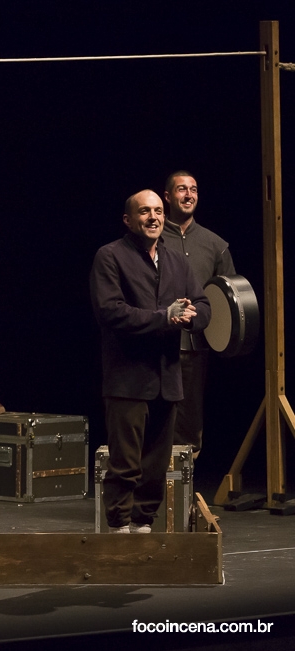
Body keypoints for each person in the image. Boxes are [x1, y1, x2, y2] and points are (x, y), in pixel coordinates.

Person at [90, 189, 210, 533]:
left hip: (167, 378)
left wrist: (191, 317)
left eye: (158, 211)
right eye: (145, 211)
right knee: (125, 463)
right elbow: (110, 311)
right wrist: (164, 317)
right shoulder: (110, 256)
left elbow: (203, 305)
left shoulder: (176, 261)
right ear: (129, 220)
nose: (153, 217)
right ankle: (118, 529)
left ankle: (142, 526)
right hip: (128, 378)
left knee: (156, 467)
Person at [162, 171, 235, 458]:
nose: (189, 194)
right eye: (182, 189)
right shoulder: (152, 237)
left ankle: (183, 481)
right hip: (155, 339)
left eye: (193, 189)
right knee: (155, 414)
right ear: (168, 197)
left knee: (189, 419)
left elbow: (229, 298)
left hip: (195, 345)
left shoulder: (215, 244)